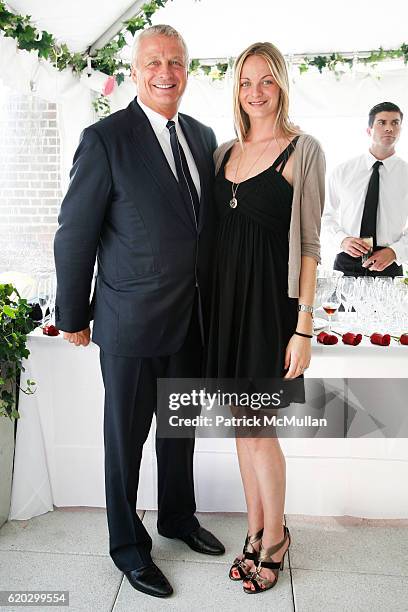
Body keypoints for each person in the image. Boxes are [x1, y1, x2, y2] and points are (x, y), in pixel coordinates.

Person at [54, 24, 224, 600]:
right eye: (154, 62)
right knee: (126, 442)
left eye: (176, 62)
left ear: (187, 70)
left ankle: (178, 518)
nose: (165, 73)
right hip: (130, 323)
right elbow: (74, 234)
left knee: (180, 433)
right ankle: (128, 546)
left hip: (190, 322)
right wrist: (73, 313)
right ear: (135, 71)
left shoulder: (203, 136)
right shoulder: (104, 139)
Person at [206, 42, 325, 594]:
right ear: (237, 88)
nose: (256, 91)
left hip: (267, 310)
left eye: (266, 81)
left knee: (258, 429)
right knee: (239, 426)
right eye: (246, 81)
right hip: (223, 308)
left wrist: (304, 327)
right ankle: (254, 530)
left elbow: (308, 247)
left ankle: (275, 539)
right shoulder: (221, 152)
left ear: (281, 84)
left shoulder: (303, 150)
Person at [323, 101, 408, 277]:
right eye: (382, 122)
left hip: (389, 264)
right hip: (346, 262)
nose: (389, 128)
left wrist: (395, 251)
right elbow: (324, 215)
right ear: (368, 130)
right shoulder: (343, 171)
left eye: (395, 123)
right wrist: (342, 240)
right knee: (343, 306)